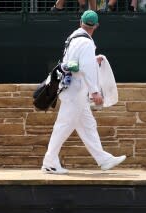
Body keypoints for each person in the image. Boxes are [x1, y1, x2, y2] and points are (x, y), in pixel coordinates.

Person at [42, 11, 126, 175]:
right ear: (96, 26)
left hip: (73, 90)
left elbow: (75, 63)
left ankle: (103, 159)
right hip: (76, 92)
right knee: (63, 127)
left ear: (80, 22)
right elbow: (85, 68)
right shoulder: (87, 44)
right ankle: (49, 162)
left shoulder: (73, 39)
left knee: (88, 126)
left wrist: (94, 60)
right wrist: (95, 91)